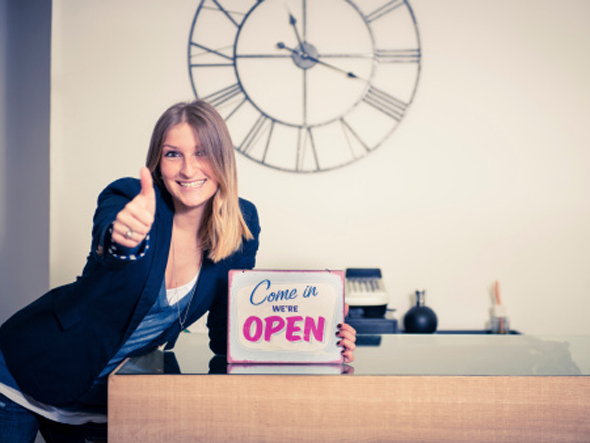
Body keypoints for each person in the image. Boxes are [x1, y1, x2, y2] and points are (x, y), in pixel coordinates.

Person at [0, 100, 357, 442]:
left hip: (106, 400)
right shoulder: (129, 199)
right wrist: (123, 238)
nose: (188, 169)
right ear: (158, 162)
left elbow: (229, 338)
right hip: (26, 373)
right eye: (174, 154)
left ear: (223, 159)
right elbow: (112, 243)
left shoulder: (241, 223)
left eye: (202, 152)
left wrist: (321, 339)